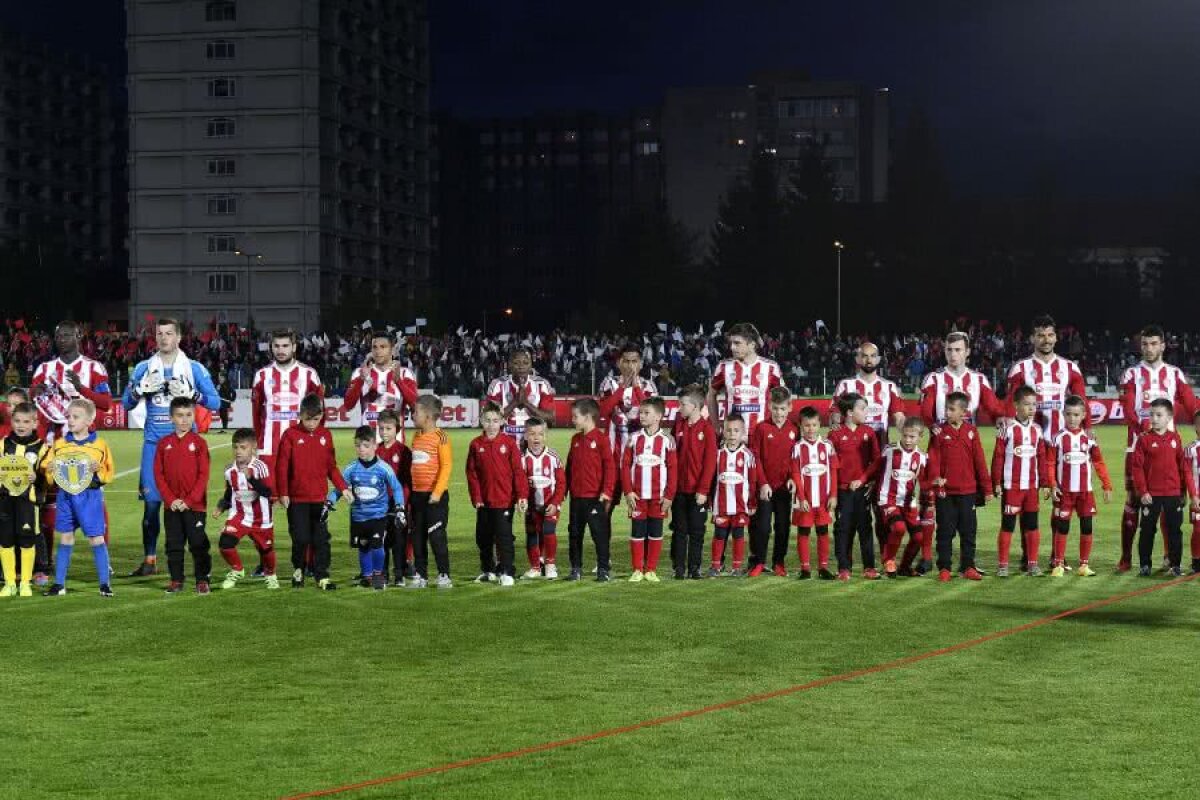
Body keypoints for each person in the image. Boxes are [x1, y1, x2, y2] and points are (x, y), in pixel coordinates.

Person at [122, 318, 221, 577]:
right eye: (159, 334)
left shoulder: (194, 368)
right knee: (152, 506)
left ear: (178, 338)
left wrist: (193, 394)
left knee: (190, 505)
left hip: (187, 446)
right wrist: (138, 391)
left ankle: (195, 562)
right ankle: (150, 560)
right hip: (155, 446)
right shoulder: (144, 367)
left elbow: (215, 402)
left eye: (168, 334)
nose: (164, 338)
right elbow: (125, 404)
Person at [30, 321, 114, 581]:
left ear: (78, 336)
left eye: (67, 335)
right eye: (58, 336)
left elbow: (106, 404)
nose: (63, 339)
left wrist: (81, 388)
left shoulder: (93, 368)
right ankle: (45, 564)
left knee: (93, 500)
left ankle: (104, 560)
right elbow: (33, 397)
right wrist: (37, 390)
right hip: (53, 445)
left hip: (85, 447)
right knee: (47, 503)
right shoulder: (45, 368)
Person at [1117, 324, 1200, 572]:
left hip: (1169, 449)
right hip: (1137, 446)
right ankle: (1126, 557)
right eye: (1145, 344)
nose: (1149, 348)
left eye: (1154, 343)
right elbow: (1130, 410)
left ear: (1163, 345)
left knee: (1169, 499)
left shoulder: (1175, 374)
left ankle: (1167, 556)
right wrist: (1147, 428)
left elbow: (1192, 404)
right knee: (1133, 500)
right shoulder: (1131, 374)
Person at [42, 399, 115, 597]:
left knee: (96, 539)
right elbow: (48, 466)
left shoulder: (99, 445)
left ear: (89, 420)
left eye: (76, 417)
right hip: (65, 497)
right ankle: (59, 585)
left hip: (89, 497)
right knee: (65, 538)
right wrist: (48, 469)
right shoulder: (59, 444)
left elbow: (108, 472)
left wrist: (98, 470)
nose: (71, 420)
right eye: (69, 416)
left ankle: (104, 585)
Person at [276, 394, 348, 590]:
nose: (311, 423)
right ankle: (298, 568)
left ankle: (322, 575)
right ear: (300, 415)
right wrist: (283, 492)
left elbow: (331, 467)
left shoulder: (326, 435)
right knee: (300, 538)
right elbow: (282, 466)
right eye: (308, 419)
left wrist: (343, 487)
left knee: (322, 540)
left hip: (319, 499)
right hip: (297, 499)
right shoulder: (290, 435)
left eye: (316, 419)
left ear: (322, 416)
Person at [327, 426, 405, 591]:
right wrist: (329, 502)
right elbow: (339, 488)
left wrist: (399, 508)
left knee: (377, 544)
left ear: (375, 446)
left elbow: (397, 488)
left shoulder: (384, 468)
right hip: (358, 517)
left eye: (365, 445)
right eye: (357, 445)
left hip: (378, 516)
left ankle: (378, 575)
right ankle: (367, 576)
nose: (361, 449)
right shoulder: (351, 468)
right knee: (363, 546)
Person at [1045, 395, 1112, 577]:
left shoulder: (1089, 439)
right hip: (1064, 492)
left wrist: (1106, 485)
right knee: (1062, 527)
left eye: (1076, 415)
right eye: (1068, 414)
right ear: (1063, 415)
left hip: (1085, 492)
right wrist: (1052, 484)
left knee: (1087, 526)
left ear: (1083, 415)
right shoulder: (1057, 438)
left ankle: (1084, 565)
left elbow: (1098, 462)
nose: (1072, 418)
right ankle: (1058, 564)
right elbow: (1050, 463)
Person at [927, 392, 990, 582]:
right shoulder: (939, 432)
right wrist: (936, 478)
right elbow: (933, 458)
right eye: (947, 408)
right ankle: (944, 567)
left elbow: (979, 461)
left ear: (964, 412)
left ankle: (967, 566)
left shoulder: (972, 432)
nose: (947, 412)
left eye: (952, 409)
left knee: (968, 531)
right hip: (945, 493)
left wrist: (986, 488)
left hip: (968, 492)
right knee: (945, 531)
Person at [1129, 398, 1197, 577]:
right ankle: (1145, 565)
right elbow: (1137, 468)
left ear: (1169, 418)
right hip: (1151, 495)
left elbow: (1182, 467)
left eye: (1159, 415)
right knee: (1147, 530)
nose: (1154, 418)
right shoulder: (1143, 439)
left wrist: (1183, 492)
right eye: (1152, 414)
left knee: (1175, 530)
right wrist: (1143, 491)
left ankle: (1175, 565)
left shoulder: (1175, 438)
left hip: (1173, 494)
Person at [153, 397, 213, 594]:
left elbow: (203, 475)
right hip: (172, 507)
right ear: (171, 418)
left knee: (198, 543)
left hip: (194, 507)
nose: (184, 420)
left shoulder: (199, 443)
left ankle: (202, 579)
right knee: (174, 545)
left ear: (194, 416)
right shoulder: (164, 444)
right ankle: (176, 580)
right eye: (180, 415)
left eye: (188, 415)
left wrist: (188, 501)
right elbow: (158, 474)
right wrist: (171, 500)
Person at [466, 402, 527, 587]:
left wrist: (521, 496)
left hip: (504, 500)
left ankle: (507, 571)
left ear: (502, 421)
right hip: (484, 502)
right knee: (483, 537)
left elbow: (518, 471)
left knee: (504, 537)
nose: (491, 425)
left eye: (495, 421)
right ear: (481, 422)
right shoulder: (476, 444)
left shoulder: (508, 443)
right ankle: (488, 570)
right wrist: (476, 497)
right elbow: (472, 473)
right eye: (487, 421)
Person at [992, 386, 1051, 577]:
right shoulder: (1007, 428)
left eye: (1034, 404)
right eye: (1027, 404)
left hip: (1031, 487)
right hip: (1012, 486)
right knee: (1008, 525)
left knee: (1032, 525)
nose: (1031, 408)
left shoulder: (1037, 429)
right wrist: (997, 482)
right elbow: (998, 457)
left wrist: (1044, 483)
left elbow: (1041, 457)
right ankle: (1003, 565)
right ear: (1016, 405)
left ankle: (1032, 564)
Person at [251, 328, 323, 473]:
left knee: (300, 493)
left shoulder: (309, 374)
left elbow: (320, 413)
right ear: (271, 347)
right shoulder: (262, 375)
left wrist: (315, 439)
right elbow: (256, 413)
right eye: (276, 346)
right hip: (269, 447)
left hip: (301, 445)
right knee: (271, 494)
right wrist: (258, 443)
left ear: (294, 347)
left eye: (285, 346)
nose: (280, 350)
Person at [1005, 315, 1088, 441]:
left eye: (1050, 335)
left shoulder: (1070, 368)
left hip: (1061, 440)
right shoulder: (1020, 369)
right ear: (1032, 339)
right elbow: (1011, 403)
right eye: (1041, 336)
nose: (1046, 340)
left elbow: (1082, 402)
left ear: (1056, 338)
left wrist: (1087, 427)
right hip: (1030, 441)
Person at [621, 396, 676, 583]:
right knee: (637, 532)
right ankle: (637, 569)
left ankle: (651, 569)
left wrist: (669, 496)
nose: (641, 416)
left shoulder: (668, 441)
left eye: (646, 413)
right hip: (638, 497)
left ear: (659, 416)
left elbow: (673, 470)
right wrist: (628, 491)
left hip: (658, 498)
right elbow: (625, 466)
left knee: (655, 532)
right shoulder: (633, 439)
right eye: (641, 412)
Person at [216, 429, 280, 590]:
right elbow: (230, 491)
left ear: (253, 448)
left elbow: (268, 492)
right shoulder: (229, 470)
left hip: (261, 518)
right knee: (225, 543)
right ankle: (237, 569)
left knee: (266, 550)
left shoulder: (260, 467)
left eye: (243, 447)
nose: (238, 451)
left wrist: (250, 477)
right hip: (239, 515)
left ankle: (270, 574)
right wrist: (222, 506)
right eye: (235, 447)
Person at [598, 343, 657, 519]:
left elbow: (652, 415)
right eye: (626, 361)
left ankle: (642, 543)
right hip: (612, 456)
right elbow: (604, 411)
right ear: (619, 363)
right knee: (606, 506)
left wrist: (636, 388)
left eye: (634, 361)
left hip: (640, 457)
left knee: (640, 508)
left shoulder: (648, 386)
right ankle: (603, 546)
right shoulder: (609, 383)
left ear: (640, 364)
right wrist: (623, 387)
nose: (630, 366)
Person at [828, 393, 881, 581]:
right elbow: (831, 466)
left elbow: (876, 460)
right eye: (862, 408)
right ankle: (844, 567)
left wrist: (865, 479)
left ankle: (869, 567)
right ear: (850, 413)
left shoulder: (869, 433)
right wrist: (833, 493)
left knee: (865, 527)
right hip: (843, 492)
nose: (867, 412)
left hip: (862, 490)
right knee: (843, 528)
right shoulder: (834, 434)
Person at [747, 386, 798, 576]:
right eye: (775, 408)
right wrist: (763, 483)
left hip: (784, 488)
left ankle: (779, 562)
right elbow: (755, 458)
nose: (779, 413)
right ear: (769, 406)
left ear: (790, 407)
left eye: (783, 409)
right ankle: (759, 562)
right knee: (762, 526)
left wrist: (793, 478)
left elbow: (797, 459)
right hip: (765, 487)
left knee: (783, 527)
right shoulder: (761, 428)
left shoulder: (794, 429)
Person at [564, 397, 615, 582]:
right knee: (575, 534)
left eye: (575, 416)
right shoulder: (575, 440)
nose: (573, 419)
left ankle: (603, 568)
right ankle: (575, 568)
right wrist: (564, 490)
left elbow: (610, 467)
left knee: (599, 535)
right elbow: (569, 467)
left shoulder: (601, 440)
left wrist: (606, 491)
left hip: (595, 498)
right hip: (576, 498)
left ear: (587, 417)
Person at [0, 402, 47, 597]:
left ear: (35, 423)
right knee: (5, 541)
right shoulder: (3, 444)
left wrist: (38, 478)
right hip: (4, 501)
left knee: (27, 540)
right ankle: (10, 582)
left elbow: (47, 477)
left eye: (26, 422)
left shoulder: (42, 447)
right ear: (11, 421)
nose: (21, 425)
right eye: (17, 421)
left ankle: (25, 583)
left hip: (28, 502)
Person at [407, 394, 454, 589]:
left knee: (436, 536)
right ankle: (421, 575)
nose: (412, 415)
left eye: (415, 412)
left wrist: (437, 492)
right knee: (417, 537)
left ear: (427, 416)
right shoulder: (416, 436)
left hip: (435, 497)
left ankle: (444, 575)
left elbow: (447, 466)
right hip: (417, 496)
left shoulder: (441, 437)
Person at [709, 413, 763, 577]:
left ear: (743, 433)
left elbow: (752, 482)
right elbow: (712, 480)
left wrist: (752, 503)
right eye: (729, 430)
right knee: (719, 535)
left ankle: (737, 567)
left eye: (736, 431)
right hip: (722, 505)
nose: (732, 434)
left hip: (741, 505)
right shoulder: (717, 454)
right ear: (723, 432)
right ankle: (716, 566)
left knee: (738, 535)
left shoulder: (748, 455)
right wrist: (711, 503)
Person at [671, 385, 716, 580]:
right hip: (679, 490)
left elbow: (710, 463)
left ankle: (694, 567)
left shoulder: (707, 430)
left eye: (683, 404)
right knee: (679, 530)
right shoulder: (678, 426)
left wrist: (704, 490)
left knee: (697, 531)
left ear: (696, 406)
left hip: (698, 492)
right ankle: (679, 568)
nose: (679, 407)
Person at [788, 406, 838, 579]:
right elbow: (795, 474)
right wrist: (801, 498)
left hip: (823, 500)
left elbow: (833, 471)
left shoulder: (827, 446)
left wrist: (833, 495)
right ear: (801, 426)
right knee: (804, 532)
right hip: (805, 500)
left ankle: (823, 567)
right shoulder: (797, 448)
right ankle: (805, 568)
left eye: (814, 425)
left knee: (823, 531)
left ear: (820, 425)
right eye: (807, 425)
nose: (811, 429)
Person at [919, 331, 1007, 430]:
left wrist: (999, 417)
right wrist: (932, 425)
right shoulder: (933, 378)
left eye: (958, 350)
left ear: (967, 352)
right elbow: (925, 412)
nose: (953, 354)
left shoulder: (979, 379)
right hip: (941, 442)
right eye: (949, 350)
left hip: (969, 442)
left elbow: (992, 406)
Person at [876, 418, 930, 578]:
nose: (907, 440)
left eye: (912, 437)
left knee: (919, 536)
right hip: (888, 498)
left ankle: (905, 567)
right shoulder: (890, 450)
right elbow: (875, 467)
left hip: (908, 502)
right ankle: (889, 560)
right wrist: (863, 480)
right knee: (899, 528)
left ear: (920, 437)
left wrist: (931, 496)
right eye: (905, 435)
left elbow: (924, 482)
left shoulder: (921, 457)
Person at [340, 331, 419, 437]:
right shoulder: (360, 372)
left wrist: (399, 382)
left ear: (392, 349)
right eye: (375, 347)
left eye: (383, 347)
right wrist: (360, 380)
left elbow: (415, 405)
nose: (378, 351)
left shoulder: (405, 373)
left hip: (395, 444)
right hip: (368, 445)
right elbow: (348, 405)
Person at [707, 323, 781, 433]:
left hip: (762, 435)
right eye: (731, 343)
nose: (732, 347)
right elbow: (711, 395)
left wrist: (777, 425)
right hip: (733, 436)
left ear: (751, 344)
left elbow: (782, 398)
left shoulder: (771, 367)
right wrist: (716, 425)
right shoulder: (724, 367)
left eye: (737, 343)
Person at [828, 341, 905, 444]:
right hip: (852, 446)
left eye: (873, 356)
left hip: (880, 446)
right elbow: (835, 413)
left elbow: (899, 417)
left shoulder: (889, 386)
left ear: (878, 359)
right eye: (864, 356)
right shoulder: (845, 385)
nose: (869, 360)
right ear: (857, 359)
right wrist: (835, 420)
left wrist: (908, 431)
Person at [521, 417, 565, 579]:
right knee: (532, 534)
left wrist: (555, 502)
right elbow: (520, 483)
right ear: (526, 436)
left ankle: (550, 564)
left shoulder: (553, 457)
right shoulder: (522, 459)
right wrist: (522, 500)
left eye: (540, 434)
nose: (536, 437)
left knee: (548, 530)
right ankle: (535, 567)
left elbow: (561, 483)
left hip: (550, 504)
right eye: (532, 434)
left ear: (545, 436)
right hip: (531, 507)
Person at [374, 409, 413, 584]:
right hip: (380, 505)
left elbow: (407, 480)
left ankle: (399, 574)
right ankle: (382, 574)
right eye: (381, 428)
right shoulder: (376, 452)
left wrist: (402, 504)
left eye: (388, 428)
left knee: (399, 540)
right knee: (382, 540)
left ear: (396, 429)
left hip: (398, 505)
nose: (384, 432)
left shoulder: (404, 451)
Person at [486, 347, 555, 441]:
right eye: (516, 363)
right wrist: (515, 402)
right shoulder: (497, 384)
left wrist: (526, 403)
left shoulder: (542, 384)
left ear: (531, 365)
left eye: (526, 363)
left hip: (531, 445)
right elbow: (489, 420)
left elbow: (550, 419)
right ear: (509, 364)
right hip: (503, 445)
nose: (521, 366)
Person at [1184, 412, 1200, 575]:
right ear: (1195, 427)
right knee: (1198, 529)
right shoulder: (1190, 449)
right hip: (1198, 498)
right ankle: (1196, 560)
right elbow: (1187, 474)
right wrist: (1193, 496)